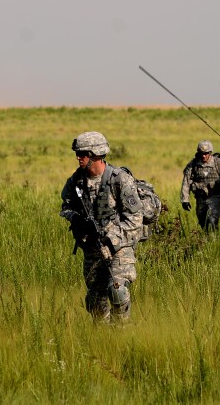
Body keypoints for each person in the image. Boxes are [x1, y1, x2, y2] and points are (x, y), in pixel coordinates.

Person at [60, 131, 143, 324]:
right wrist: (76, 219)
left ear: (96, 154)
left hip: (120, 246)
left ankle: (121, 334)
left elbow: (135, 218)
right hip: (92, 246)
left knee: (117, 291)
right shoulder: (76, 181)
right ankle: (103, 339)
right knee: (95, 301)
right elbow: (65, 207)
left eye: (83, 154)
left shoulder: (119, 179)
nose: (78, 157)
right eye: (77, 153)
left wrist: (111, 240)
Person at [180, 140, 220, 231]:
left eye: (206, 153)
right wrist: (185, 199)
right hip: (200, 198)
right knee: (202, 222)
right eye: (201, 153)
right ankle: (206, 241)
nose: (203, 156)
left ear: (210, 152)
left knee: (212, 220)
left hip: (214, 197)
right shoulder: (193, 164)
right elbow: (186, 181)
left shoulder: (219, 163)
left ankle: (213, 241)